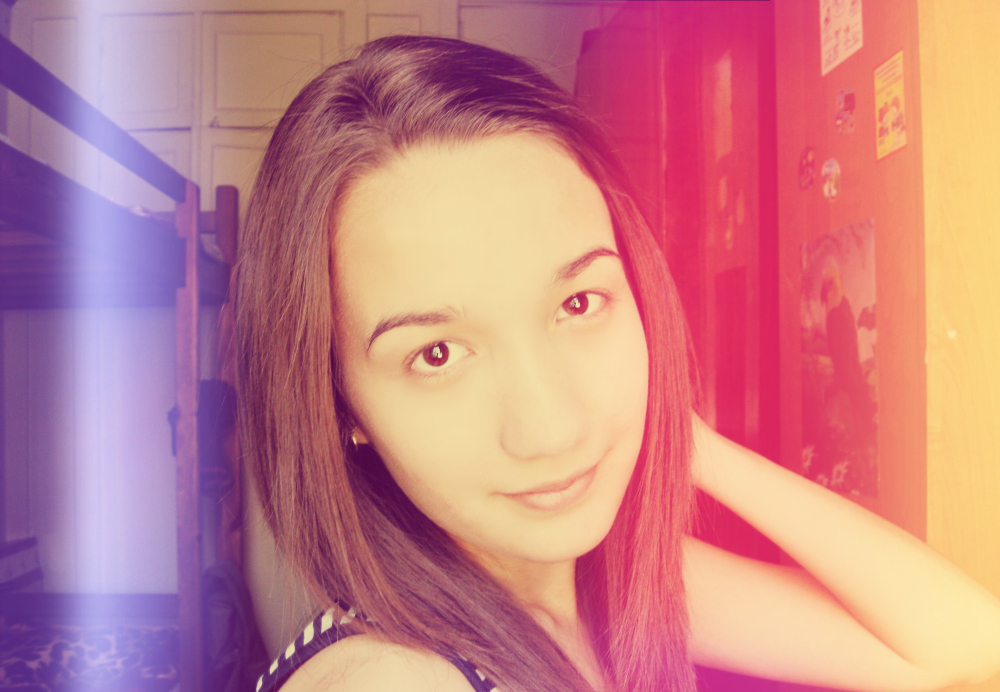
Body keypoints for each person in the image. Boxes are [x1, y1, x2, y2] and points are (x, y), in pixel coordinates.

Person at [235, 36, 1000, 692]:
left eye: (578, 303)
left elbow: (961, 644)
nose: (551, 428)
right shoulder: (389, 677)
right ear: (341, 405)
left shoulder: (607, 584)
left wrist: (682, 437)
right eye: (437, 354)